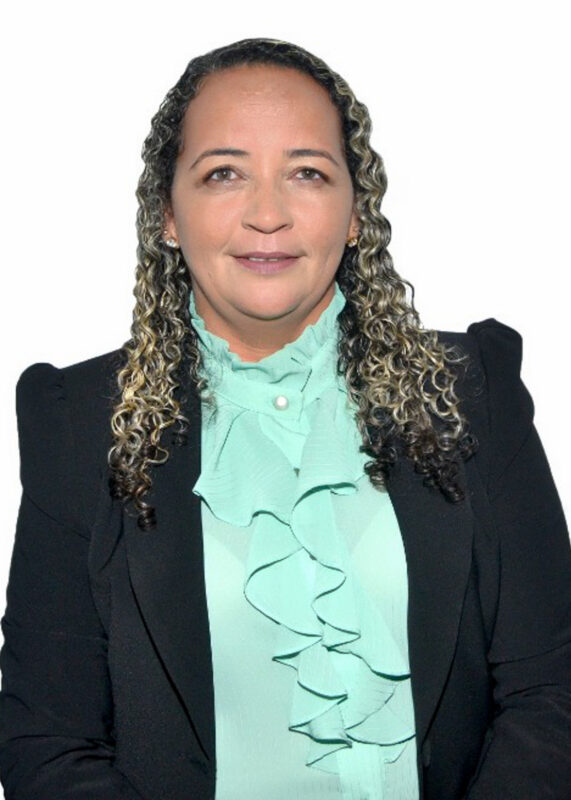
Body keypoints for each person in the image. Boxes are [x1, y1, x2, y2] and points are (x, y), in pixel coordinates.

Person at [0, 37, 569, 800]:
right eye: (223, 173)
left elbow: (549, 691)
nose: (267, 215)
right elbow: (48, 744)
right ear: (167, 215)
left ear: (356, 211)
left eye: (306, 172)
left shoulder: (469, 392)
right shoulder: (78, 424)